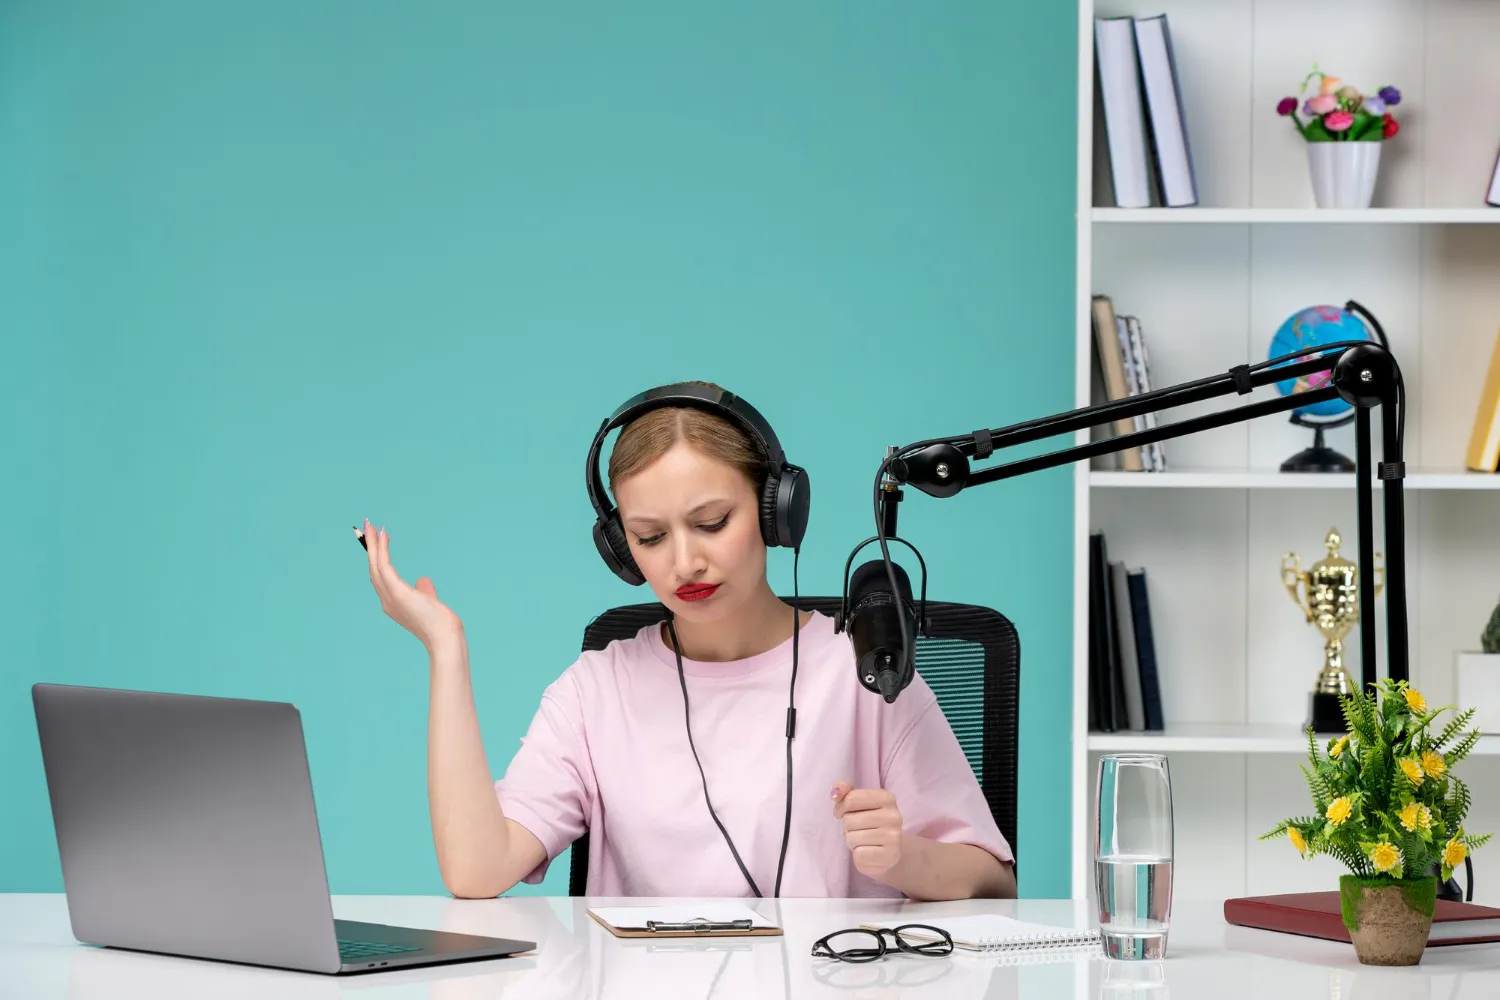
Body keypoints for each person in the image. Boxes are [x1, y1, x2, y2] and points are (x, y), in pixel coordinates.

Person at [363, 382, 1016, 900]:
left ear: (774, 509)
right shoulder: (596, 691)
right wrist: (445, 650)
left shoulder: (869, 673)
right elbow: (477, 872)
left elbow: (992, 881)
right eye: (650, 538)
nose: (684, 562)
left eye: (711, 522)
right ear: (623, 551)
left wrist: (906, 858)